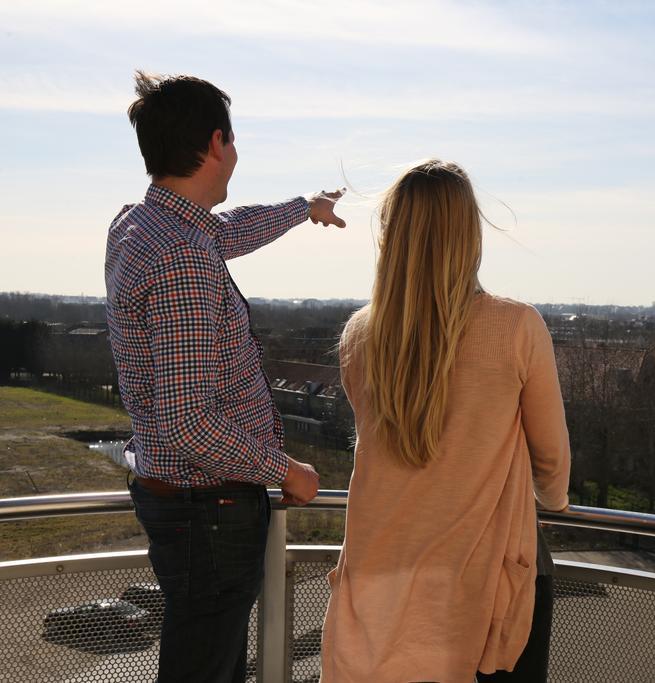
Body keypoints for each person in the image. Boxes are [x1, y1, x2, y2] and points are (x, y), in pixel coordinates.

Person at [105, 72, 344, 682]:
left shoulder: (140, 226)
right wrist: (289, 471)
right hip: (207, 508)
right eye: (232, 140)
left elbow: (230, 230)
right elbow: (190, 423)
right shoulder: (183, 256)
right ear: (217, 143)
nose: (235, 152)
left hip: (182, 502)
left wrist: (303, 210)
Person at [320, 160, 571, 682]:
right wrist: (554, 504)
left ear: (392, 234)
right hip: (478, 580)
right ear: (469, 234)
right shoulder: (516, 326)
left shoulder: (359, 337)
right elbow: (551, 455)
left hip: (380, 574)